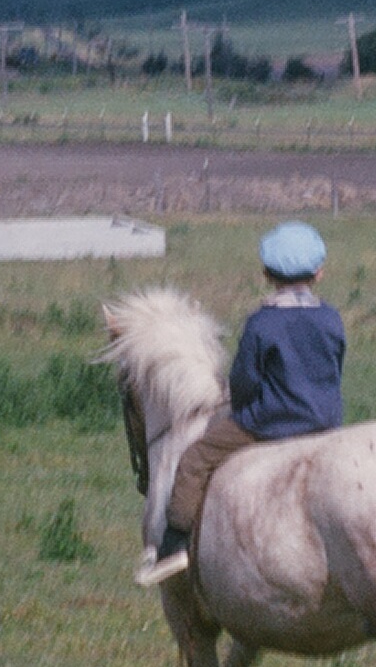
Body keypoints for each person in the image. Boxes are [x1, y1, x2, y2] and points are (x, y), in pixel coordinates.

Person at [136, 221, 348, 586]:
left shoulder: (261, 323)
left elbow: (244, 382)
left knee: (195, 459)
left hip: (270, 422)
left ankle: (173, 546)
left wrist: (244, 406)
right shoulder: (331, 318)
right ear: (320, 272)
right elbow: (334, 368)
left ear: (266, 274)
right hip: (326, 421)